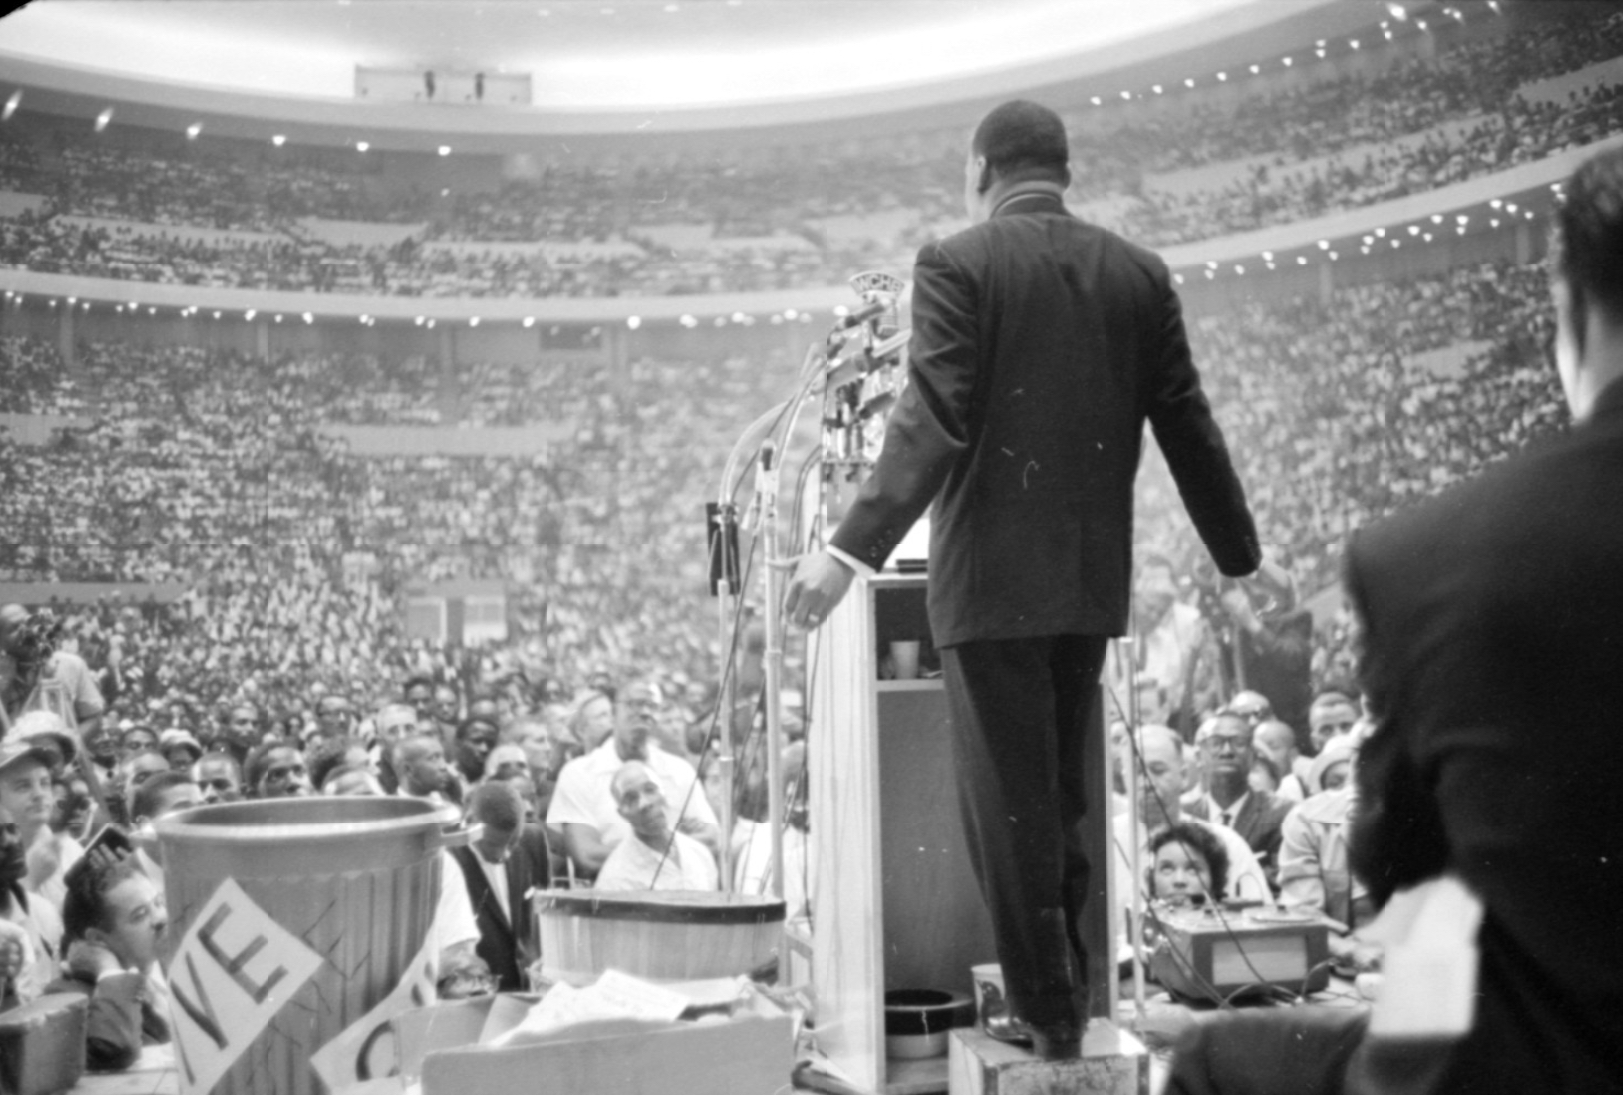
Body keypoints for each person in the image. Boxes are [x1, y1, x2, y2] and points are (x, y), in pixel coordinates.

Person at [783, 100, 1259, 1058]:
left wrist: (845, 553)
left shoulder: (958, 263)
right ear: (1061, 170)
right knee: (1061, 801)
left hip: (989, 590)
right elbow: (1187, 423)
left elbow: (933, 419)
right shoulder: (1137, 272)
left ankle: (1048, 1018)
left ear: (980, 169)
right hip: (1086, 585)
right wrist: (1241, 555)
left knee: (1007, 810)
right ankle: (1069, 996)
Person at [1338, 146, 1623, 1093]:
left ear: (1570, 308)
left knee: (1221, 1058)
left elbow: (1396, 860)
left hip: (1555, 1067)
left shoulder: (1429, 555)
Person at [546, 679, 717, 878]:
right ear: (614, 711)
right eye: (634, 704)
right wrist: (673, 841)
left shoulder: (679, 770)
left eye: (652, 706)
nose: (644, 712)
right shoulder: (579, 773)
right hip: (614, 895)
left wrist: (620, 849)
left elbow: (712, 840)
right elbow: (588, 856)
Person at [46, 857, 171, 1071]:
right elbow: (115, 1051)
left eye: (158, 903)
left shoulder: (175, 966)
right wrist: (108, 969)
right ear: (97, 939)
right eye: (140, 915)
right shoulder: (65, 997)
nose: (160, 918)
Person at [449, 782, 546, 991]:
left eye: (513, 843)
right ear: (471, 821)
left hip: (525, 988)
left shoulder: (534, 840)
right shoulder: (447, 861)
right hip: (477, 995)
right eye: (493, 844)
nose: (504, 855)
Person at [1182, 711, 1291, 886]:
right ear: (1198, 757)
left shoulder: (1282, 813)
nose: (1226, 751)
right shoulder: (1183, 815)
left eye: (1238, 743)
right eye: (1215, 743)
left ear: (1253, 756)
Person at [595, 761, 718, 892]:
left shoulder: (698, 853)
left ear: (664, 792)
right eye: (631, 799)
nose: (645, 803)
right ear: (622, 814)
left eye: (650, 790)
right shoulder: (616, 880)